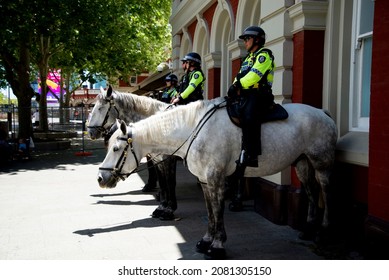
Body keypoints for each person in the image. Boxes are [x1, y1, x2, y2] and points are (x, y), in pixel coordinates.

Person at [228, 26, 275, 168]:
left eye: (248, 39)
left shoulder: (264, 55)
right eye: (245, 39)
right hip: (246, 93)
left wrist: (237, 85)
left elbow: (254, 76)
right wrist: (234, 85)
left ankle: (251, 154)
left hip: (260, 94)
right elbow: (240, 75)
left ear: (257, 40)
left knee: (249, 116)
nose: (245, 42)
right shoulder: (248, 58)